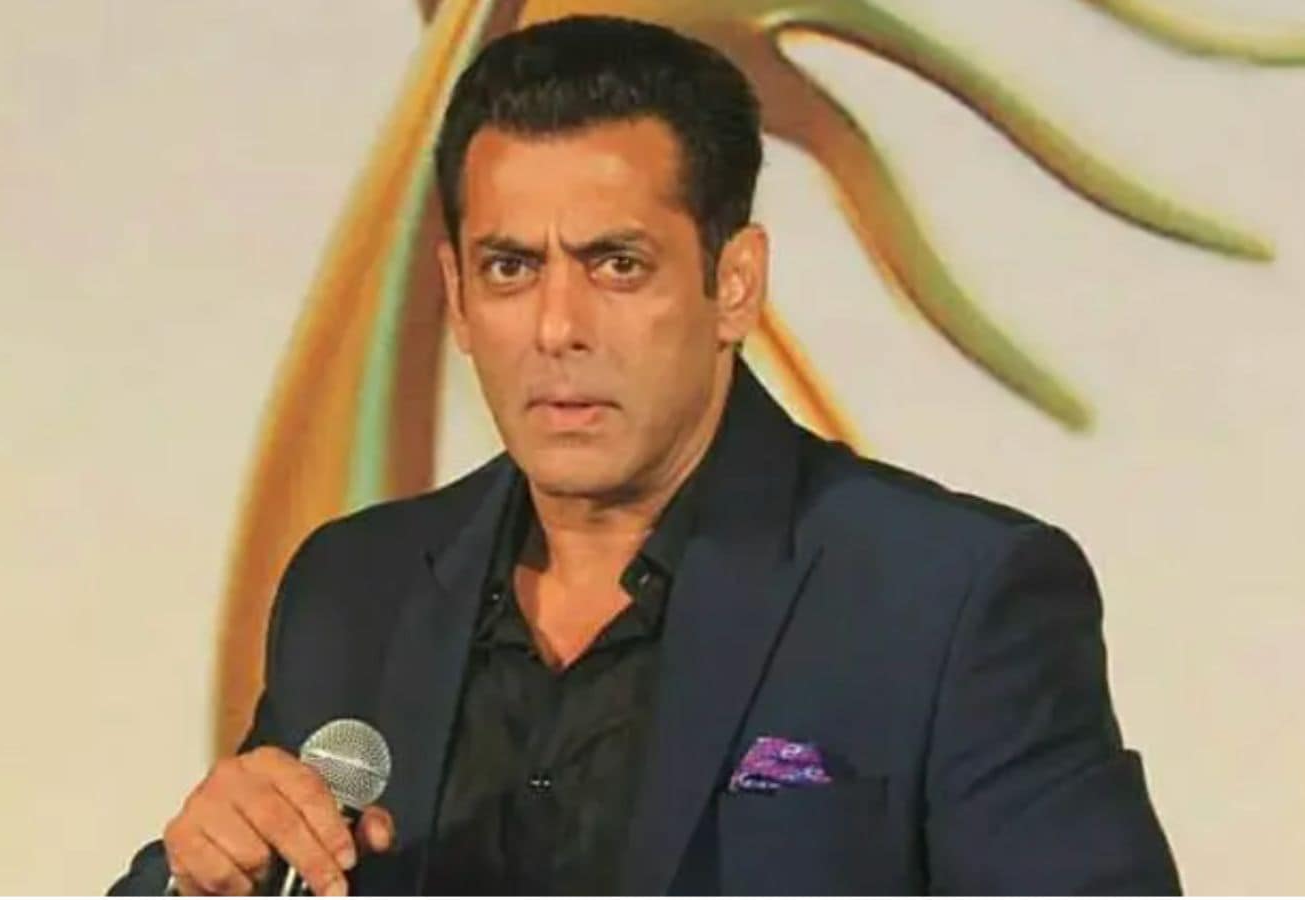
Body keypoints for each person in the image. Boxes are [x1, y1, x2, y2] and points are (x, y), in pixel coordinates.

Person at [111, 14, 1179, 895]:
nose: (556, 327)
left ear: (734, 285)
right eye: (510, 267)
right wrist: (196, 882)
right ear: (458, 297)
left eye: (616, 265)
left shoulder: (949, 599)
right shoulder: (358, 588)